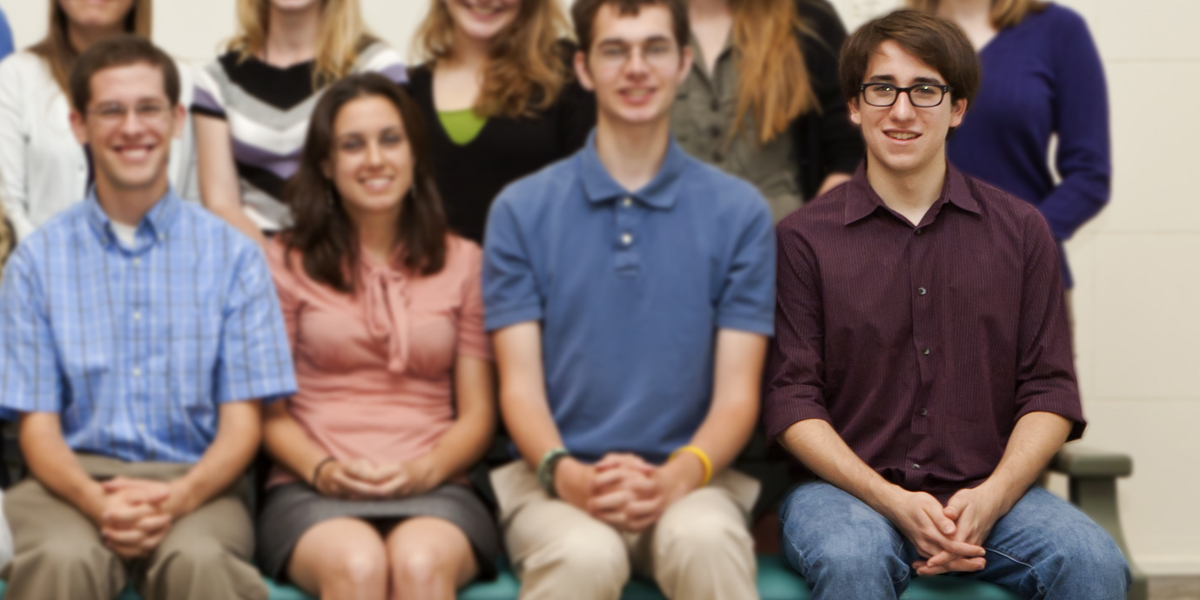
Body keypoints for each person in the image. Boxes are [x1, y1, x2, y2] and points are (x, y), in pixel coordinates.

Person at [765, 10, 1130, 600]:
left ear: (957, 108)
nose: (902, 111)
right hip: (848, 497)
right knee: (853, 558)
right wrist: (893, 502)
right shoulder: (803, 239)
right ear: (854, 106)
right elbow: (791, 400)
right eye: (882, 88)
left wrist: (992, 498)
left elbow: (1049, 390)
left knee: (1091, 562)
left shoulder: (1021, 231)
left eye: (926, 90)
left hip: (987, 493)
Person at [483, 0, 775, 597]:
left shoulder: (739, 212)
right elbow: (518, 386)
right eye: (615, 50)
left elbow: (738, 393)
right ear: (585, 69)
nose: (636, 67)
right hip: (552, 481)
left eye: (655, 48)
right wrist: (565, 474)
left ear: (682, 63)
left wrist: (676, 478)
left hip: (697, 478)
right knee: (582, 557)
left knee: (706, 543)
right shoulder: (520, 209)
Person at [0, 36, 296, 600]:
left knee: (202, 563)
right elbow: (37, 431)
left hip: (200, 485)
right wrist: (98, 502)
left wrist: (177, 499)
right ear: (79, 126)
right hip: (68, 485)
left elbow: (243, 427)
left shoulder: (233, 257)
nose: (131, 127)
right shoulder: (37, 262)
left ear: (178, 120)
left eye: (148, 108)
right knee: (62, 562)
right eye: (110, 110)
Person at [256, 73, 501, 598]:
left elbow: (479, 415)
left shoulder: (465, 263)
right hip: (311, 484)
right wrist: (322, 472)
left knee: (417, 565)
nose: (374, 159)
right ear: (326, 164)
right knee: (358, 566)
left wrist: (423, 470)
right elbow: (269, 415)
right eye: (352, 145)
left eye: (390, 140)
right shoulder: (282, 261)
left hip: (437, 482)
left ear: (414, 155)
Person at [909, 0, 1108, 301]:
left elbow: (1090, 175)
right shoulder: (897, 35)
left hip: (1022, 283)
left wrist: (1016, 243)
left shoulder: (1059, 30)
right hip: (908, 280)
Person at [193, 0, 407, 244]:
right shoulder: (217, 80)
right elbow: (220, 203)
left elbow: (395, 181)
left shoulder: (377, 66)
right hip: (252, 264)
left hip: (349, 259)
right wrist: (271, 270)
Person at [0, 0, 199, 242]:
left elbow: (195, 204)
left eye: (147, 108)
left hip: (165, 272)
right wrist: (49, 267)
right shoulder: (15, 76)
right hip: (45, 272)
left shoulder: (185, 81)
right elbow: (10, 206)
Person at [405, 0, 595, 244]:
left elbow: (591, 204)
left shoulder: (567, 75)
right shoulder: (407, 91)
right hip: (434, 278)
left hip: (542, 277)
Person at [674, 0, 862, 222]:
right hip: (667, 243)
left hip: (779, 242)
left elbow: (850, 149)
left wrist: (809, 237)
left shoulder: (808, 21)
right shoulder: (635, 27)